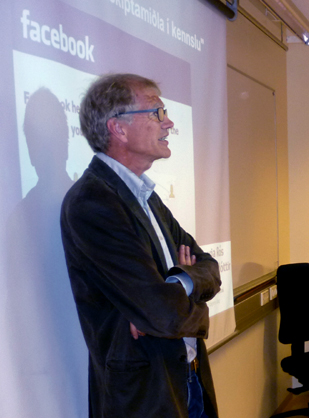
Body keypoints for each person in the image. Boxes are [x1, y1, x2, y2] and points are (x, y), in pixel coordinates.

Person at [61, 73, 221, 418]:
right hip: (147, 396)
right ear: (118, 128)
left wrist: (177, 283)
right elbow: (161, 313)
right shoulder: (93, 202)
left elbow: (209, 266)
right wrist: (176, 302)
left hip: (188, 377)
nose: (169, 123)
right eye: (156, 112)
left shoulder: (145, 196)